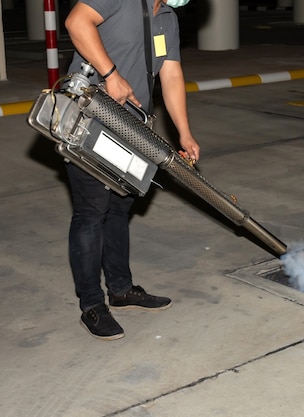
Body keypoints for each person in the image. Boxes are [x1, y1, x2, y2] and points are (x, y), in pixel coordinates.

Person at [64, 0, 200, 340]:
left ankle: (121, 290)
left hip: (131, 128)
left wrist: (184, 131)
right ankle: (92, 305)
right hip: (90, 116)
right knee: (92, 211)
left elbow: (170, 72)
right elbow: (76, 22)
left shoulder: (167, 16)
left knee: (120, 207)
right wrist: (111, 75)